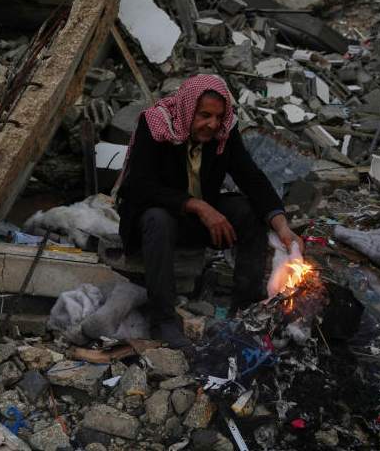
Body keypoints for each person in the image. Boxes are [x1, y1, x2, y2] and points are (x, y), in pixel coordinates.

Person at [116, 74, 304, 348]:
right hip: (158, 222)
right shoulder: (156, 125)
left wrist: (282, 227)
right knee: (158, 218)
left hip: (198, 221)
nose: (212, 124)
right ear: (188, 109)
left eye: (217, 117)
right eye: (204, 115)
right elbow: (138, 187)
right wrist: (197, 205)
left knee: (248, 211)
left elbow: (250, 177)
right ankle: (163, 319)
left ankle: (245, 310)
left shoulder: (222, 134)